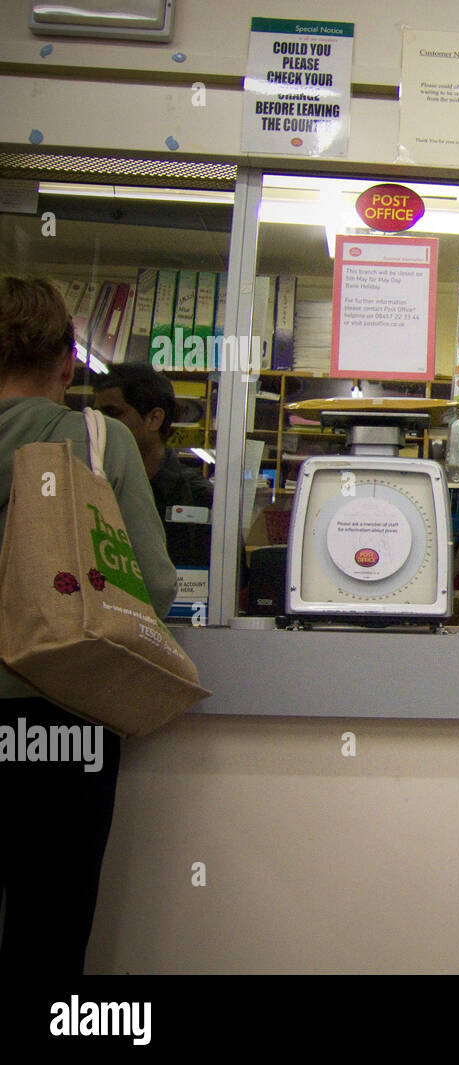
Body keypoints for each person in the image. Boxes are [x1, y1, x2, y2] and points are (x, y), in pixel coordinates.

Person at [0, 276, 176, 975]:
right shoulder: (99, 440)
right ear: (68, 363)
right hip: (65, 715)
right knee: (49, 930)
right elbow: (154, 586)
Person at [93, 363, 213, 566]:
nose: (99, 423)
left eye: (112, 413)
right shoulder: (89, 484)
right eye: (95, 415)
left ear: (154, 419)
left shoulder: (197, 497)